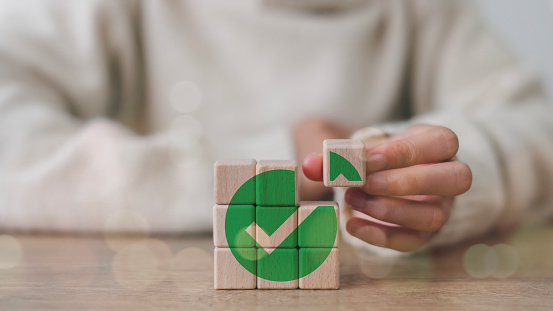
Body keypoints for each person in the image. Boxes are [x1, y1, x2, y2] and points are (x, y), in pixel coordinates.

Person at [0, 0, 552, 255]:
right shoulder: (110, 10)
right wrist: (276, 159)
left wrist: (453, 176)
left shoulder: (429, 12)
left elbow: (537, 125)